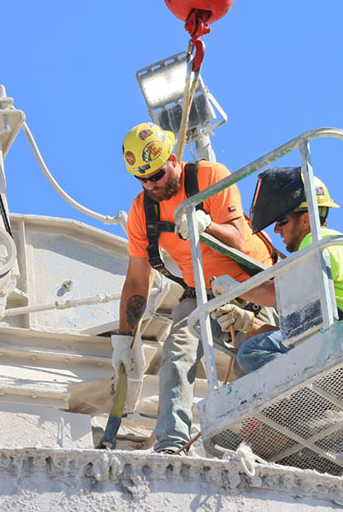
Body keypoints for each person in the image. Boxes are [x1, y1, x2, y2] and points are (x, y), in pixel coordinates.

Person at [111, 122, 276, 453]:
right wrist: (124, 341)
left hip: (253, 287)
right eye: (141, 179)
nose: (150, 184)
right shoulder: (142, 212)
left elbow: (239, 240)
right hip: (201, 291)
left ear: (173, 159)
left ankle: (250, 443)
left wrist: (206, 225)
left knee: (253, 359)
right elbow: (136, 281)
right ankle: (172, 442)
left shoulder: (209, 177)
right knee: (178, 349)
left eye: (156, 175)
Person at [211, 166, 343, 374]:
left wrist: (234, 289)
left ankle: (313, 403)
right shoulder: (334, 243)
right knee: (260, 347)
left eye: (281, 221)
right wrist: (248, 322)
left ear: (305, 220)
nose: (277, 229)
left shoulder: (316, 242)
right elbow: (297, 336)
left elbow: (280, 295)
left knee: (252, 352)